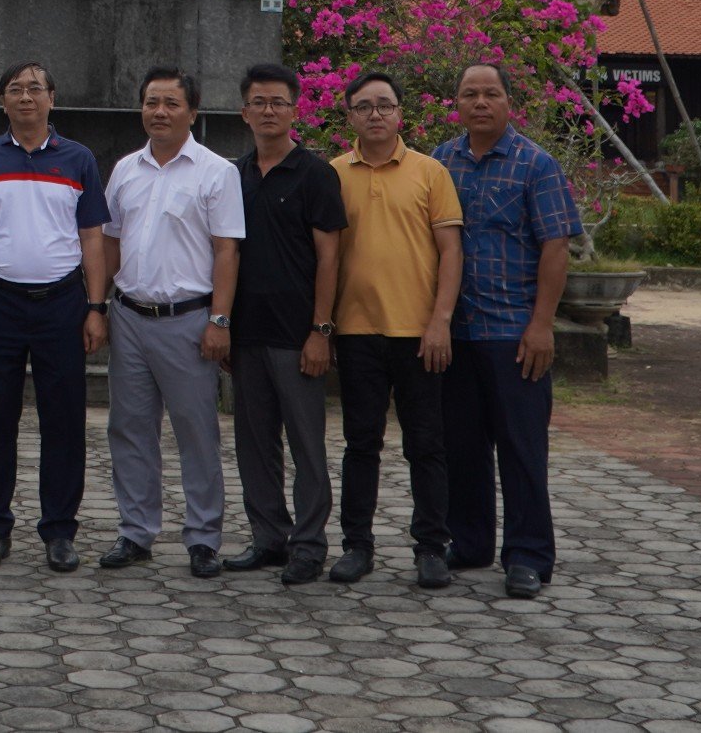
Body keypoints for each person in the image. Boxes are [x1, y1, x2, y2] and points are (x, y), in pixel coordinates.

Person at [0, 59, 110, 572]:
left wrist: (94, 306)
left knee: (63, 419)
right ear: (2, 101)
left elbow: (92, 237)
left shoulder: (79, 158)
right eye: (16, 90)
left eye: (35, 88)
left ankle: (59, 531)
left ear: (51, 98)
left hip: (62, 304)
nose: (26, 97)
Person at [435, 61, 582, 599]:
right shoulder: (440, 162)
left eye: (490, 93)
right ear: (457, 103)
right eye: (469, 93)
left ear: (508, 102)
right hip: (457, 332)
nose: (480, 102)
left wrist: (542, 324)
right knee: (463, 447)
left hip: (513, 331)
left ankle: (527, 554)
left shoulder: (535, 165)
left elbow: (555, 246)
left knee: (521, 448)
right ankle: (470, 542)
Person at [97, 68, 243, 578]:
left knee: (197, 432)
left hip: (189, 319)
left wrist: (220, 320)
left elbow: (226, 251)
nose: (160, 111)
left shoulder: (216, 172)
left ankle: (203, 538)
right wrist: (97, 305)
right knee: (130, 429)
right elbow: (110, 241)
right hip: (130, 317)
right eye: (151, 102)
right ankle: (136, 531)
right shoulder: (124, 170)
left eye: (171, 103)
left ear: (192, 112)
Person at [327, 68, 465, 589]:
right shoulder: (335, 173)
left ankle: (431, 546)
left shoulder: (431, 172)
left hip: (419, 333)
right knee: (360, 443)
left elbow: (451, 252)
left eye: (385, 105)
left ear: (400, 113)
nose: (376, 115)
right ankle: (356, 546)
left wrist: (440, 322)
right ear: (350, 116)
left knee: (426, 444)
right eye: (364, 107)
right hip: (356, 330)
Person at [221, 63, 348, 587]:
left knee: (306, 445)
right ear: (244, 112)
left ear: (295, 110)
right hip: (247, 332)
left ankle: (309, 544)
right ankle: (269, 535)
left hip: (298, 336)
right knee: (254, 443)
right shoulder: (236, 174)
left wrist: (321, 331)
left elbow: (329, 258)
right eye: (258, 102)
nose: (268, 111)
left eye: (278, 102)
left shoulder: (316, 175)